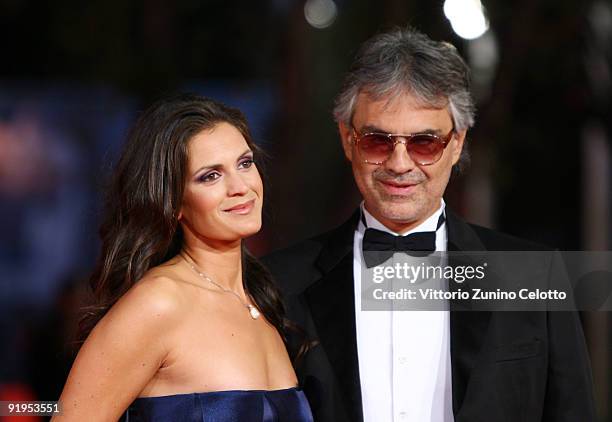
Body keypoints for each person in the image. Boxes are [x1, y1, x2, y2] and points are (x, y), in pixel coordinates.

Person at [263, 27, 596, 422]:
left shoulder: (534, 278)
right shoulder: (278, 283)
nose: (400, 164)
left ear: (456, 144)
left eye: (424, 142)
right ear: (347, 139)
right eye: (377, 141)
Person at [53, 94, 313, 422]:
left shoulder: (261, 302)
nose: (240, 186)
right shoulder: (158, 304)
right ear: (173, 202)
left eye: (244, 163)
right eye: (210, 176)